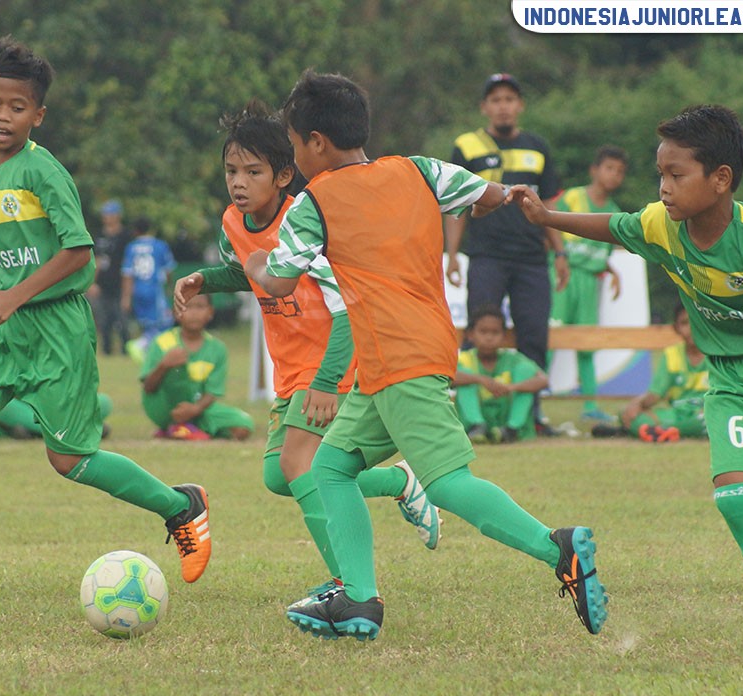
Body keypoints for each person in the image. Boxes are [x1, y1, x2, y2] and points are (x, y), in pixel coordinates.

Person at [246, 70, 608, 642]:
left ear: (315, 142)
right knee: (331, 469)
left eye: (293, 144)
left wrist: (252, 264)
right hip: (415, 348)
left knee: (446, 482)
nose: (294, 156)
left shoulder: (312, 202)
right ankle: (359, 600)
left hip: (397, 357)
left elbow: (281, 283)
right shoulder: (418, 169)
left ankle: (556, 547)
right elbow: (489, 197)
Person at [517, 103, 743, 647]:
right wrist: (549, 219)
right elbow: (613, 228)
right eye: (659, 174)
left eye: (675, 175)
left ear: (721, 180)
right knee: (735, 497)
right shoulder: (662, 227)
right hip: (737, 379)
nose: (663, 188)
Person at [0, 36, 211, 609]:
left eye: (17, 107)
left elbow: (78, 253)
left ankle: (181, 507)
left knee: (71, 461)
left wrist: (14, 296)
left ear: (38, 114)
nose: (3, 116)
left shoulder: (43, 172)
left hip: (56, 329)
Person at [173, 101, 441, 597]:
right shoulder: (234, 221)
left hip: (334, 362)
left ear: (283, 176)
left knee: (301, 466)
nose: (239, 182)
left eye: (253, 172)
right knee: (281, 475)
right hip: (290, 370)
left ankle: (349, 584)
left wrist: (326, 381)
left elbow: (346, 308)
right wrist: (202, 280)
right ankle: (401, 483)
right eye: (232, 170)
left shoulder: (305, 222)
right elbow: (247, 270)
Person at [444, 73, 568, 435]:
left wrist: (559, 255)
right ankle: (472, 418)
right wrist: (452, 254)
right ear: (485, 107)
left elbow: (549, 207)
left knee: (533, 334)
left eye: (509, 99)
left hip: (531, 257)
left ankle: (530, 416)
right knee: (478, 334)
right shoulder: (467, 147)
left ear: (520, 106)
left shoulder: (537, 147)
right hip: (486, 256)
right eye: (495, 99)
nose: (503, 106)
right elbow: (455, 203)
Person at [550, 146, 628, 422]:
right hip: (564, 277)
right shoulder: (573, 197)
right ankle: (533, 404)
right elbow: (548, 225)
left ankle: (590, 405)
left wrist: (612, 271)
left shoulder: (613, 211)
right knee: (551, 337)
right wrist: (558, 258)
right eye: (609, 168)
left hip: (590, 283)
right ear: (594, 170)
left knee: (586, 342)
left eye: (619, 171)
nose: (614, 175)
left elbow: (597, 249)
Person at [139, 293, 253, 441]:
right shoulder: (162, 342)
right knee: (177, 365)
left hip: (197, 408)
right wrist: (163, 365)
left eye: (200, 307)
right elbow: (148, 387)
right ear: (176, 312)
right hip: (165, 407)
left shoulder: (217, 348)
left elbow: (212, 392)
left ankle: (187, 429)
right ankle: (176, 426)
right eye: (187, 307)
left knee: (243, 426)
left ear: (210, 312)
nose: (193, 313)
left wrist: (195, 409)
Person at [591, 303, 708, 442]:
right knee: (628, 414)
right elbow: (655, 394)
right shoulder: (672, 354)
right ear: (676, 328)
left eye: (696, 322)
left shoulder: (717, 354)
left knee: (712, 419)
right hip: (677, 413)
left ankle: (657, 431)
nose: (691, 329)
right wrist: (637, 405)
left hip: (707, 412)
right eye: (684, 323)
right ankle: (667, 431)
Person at [453, 304, 547, 444]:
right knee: (463, 375)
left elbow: (543, 380)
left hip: (504, 416)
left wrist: (511, 388)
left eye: (495, 332)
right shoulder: (465, 358)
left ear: (504, 336)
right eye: (483, 332)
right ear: (470, 335)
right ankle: (476, 426)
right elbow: (446, 377)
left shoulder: (513, 359)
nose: (489, 338)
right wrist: (480, 379)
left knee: (526, 371)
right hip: (477, 414)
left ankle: (512, 428)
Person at [121, 216, 176, 359]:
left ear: (135, 231)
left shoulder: (131, 247)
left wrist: (126, 297)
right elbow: (169, 270)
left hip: (138, 290)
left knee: (147, 323)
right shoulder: (159, 245)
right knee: (165, 322)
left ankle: (150, 352)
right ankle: (140, 345)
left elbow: (128, 274)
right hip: (155, 289)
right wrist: (169, 287)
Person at [89, 200, 131, 355]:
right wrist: (92, 282)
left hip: (120, 284)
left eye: (110, 214)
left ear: (118, 216)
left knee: (122, 320)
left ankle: (126, 351)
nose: (107, 217)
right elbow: (96, 260)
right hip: (102, 286)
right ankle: (107, 352)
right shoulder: (99, 236)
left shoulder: (126, 236)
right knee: (103, 321)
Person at [0, 393, 112, 440]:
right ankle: (78, 430)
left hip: (60, 409)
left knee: (103, 401)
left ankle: (46, 432)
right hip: (25, 409)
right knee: (2, 406)